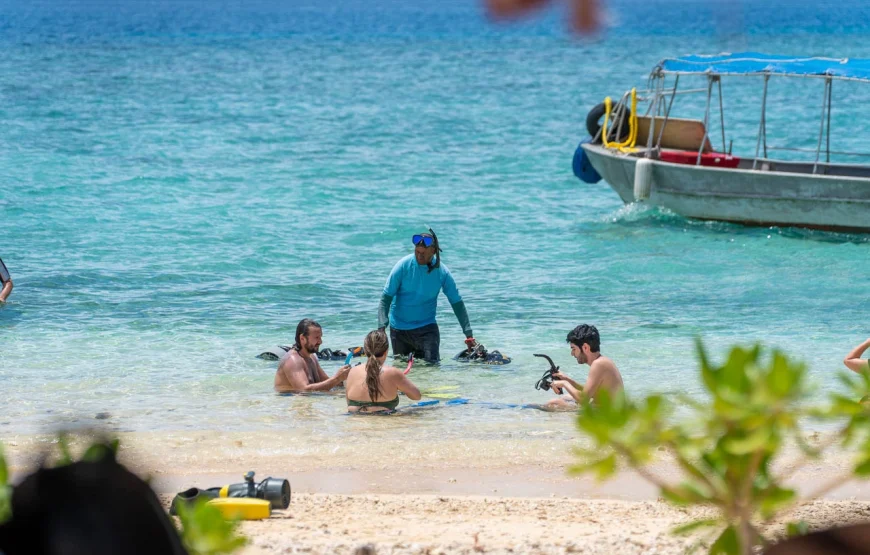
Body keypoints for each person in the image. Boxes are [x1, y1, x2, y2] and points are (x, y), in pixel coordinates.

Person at [378, 228, 475, 363]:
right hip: (399, 330)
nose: (419, 256)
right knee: (401, 373)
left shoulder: (442, 273)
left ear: (433, 251)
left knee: (432, 370)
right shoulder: (403, 266)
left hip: (427, 330)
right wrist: (381, 329)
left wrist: (468, 334)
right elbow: (386, 298)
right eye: (417, 252)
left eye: (423, 254)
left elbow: (457, 303)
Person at [547, 324, 623, 409]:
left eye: (573, 349)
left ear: (585, 347)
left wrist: (564, 384)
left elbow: (583, 399)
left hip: (606, 414)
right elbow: (590, 392)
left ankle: (530, 408)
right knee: (567, 397)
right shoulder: (603, 361)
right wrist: (567, 379)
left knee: (553, 403)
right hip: (606, 409)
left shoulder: (599, 364)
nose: (572, 354)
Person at [345, 329, 421, 413]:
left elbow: (348, 402)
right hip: (383, 422)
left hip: (354, 421)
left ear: (366, 352)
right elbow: (416, 396)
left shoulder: (353, 371)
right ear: (386, 352)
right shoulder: (393, 373)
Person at [274, 318, 351, 393]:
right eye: (317, 337)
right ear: (302, 338)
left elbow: (327, 382)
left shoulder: (311, 357)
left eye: (320, 337)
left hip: (308, 400)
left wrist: (345, 378)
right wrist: (337, 378)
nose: (320, 341)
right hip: (289, 401)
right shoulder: (293, 360)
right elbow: (303, 390)